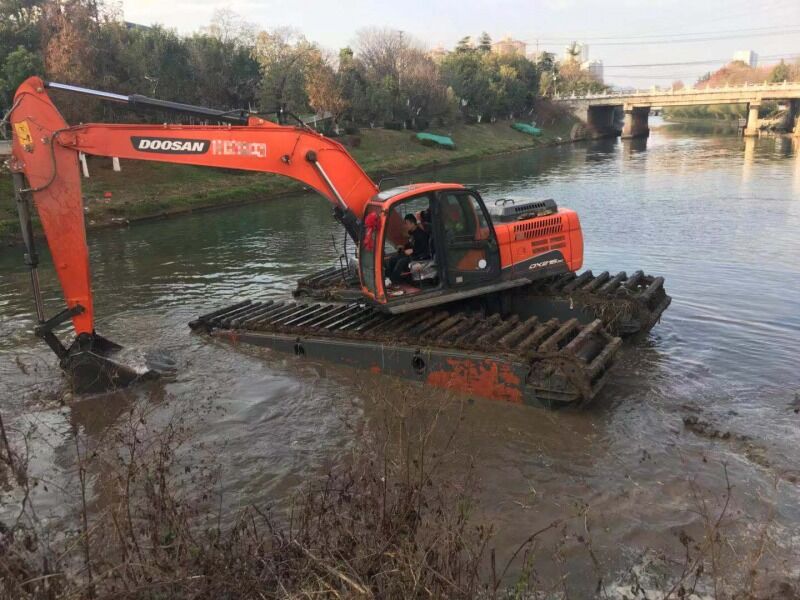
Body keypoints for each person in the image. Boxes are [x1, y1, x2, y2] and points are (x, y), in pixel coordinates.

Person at [387, 213, 430, 285]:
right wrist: (403, 247)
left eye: (407, 224)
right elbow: (410, 244)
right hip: (411, 253)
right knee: (392, 259)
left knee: (401, 262)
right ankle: (389, 278)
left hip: (419, 256)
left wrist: (413, 251)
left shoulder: (421, 234)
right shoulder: (412, 233)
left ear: (413, 223)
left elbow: (424, 248)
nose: (406, 226)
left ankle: (394, 282)